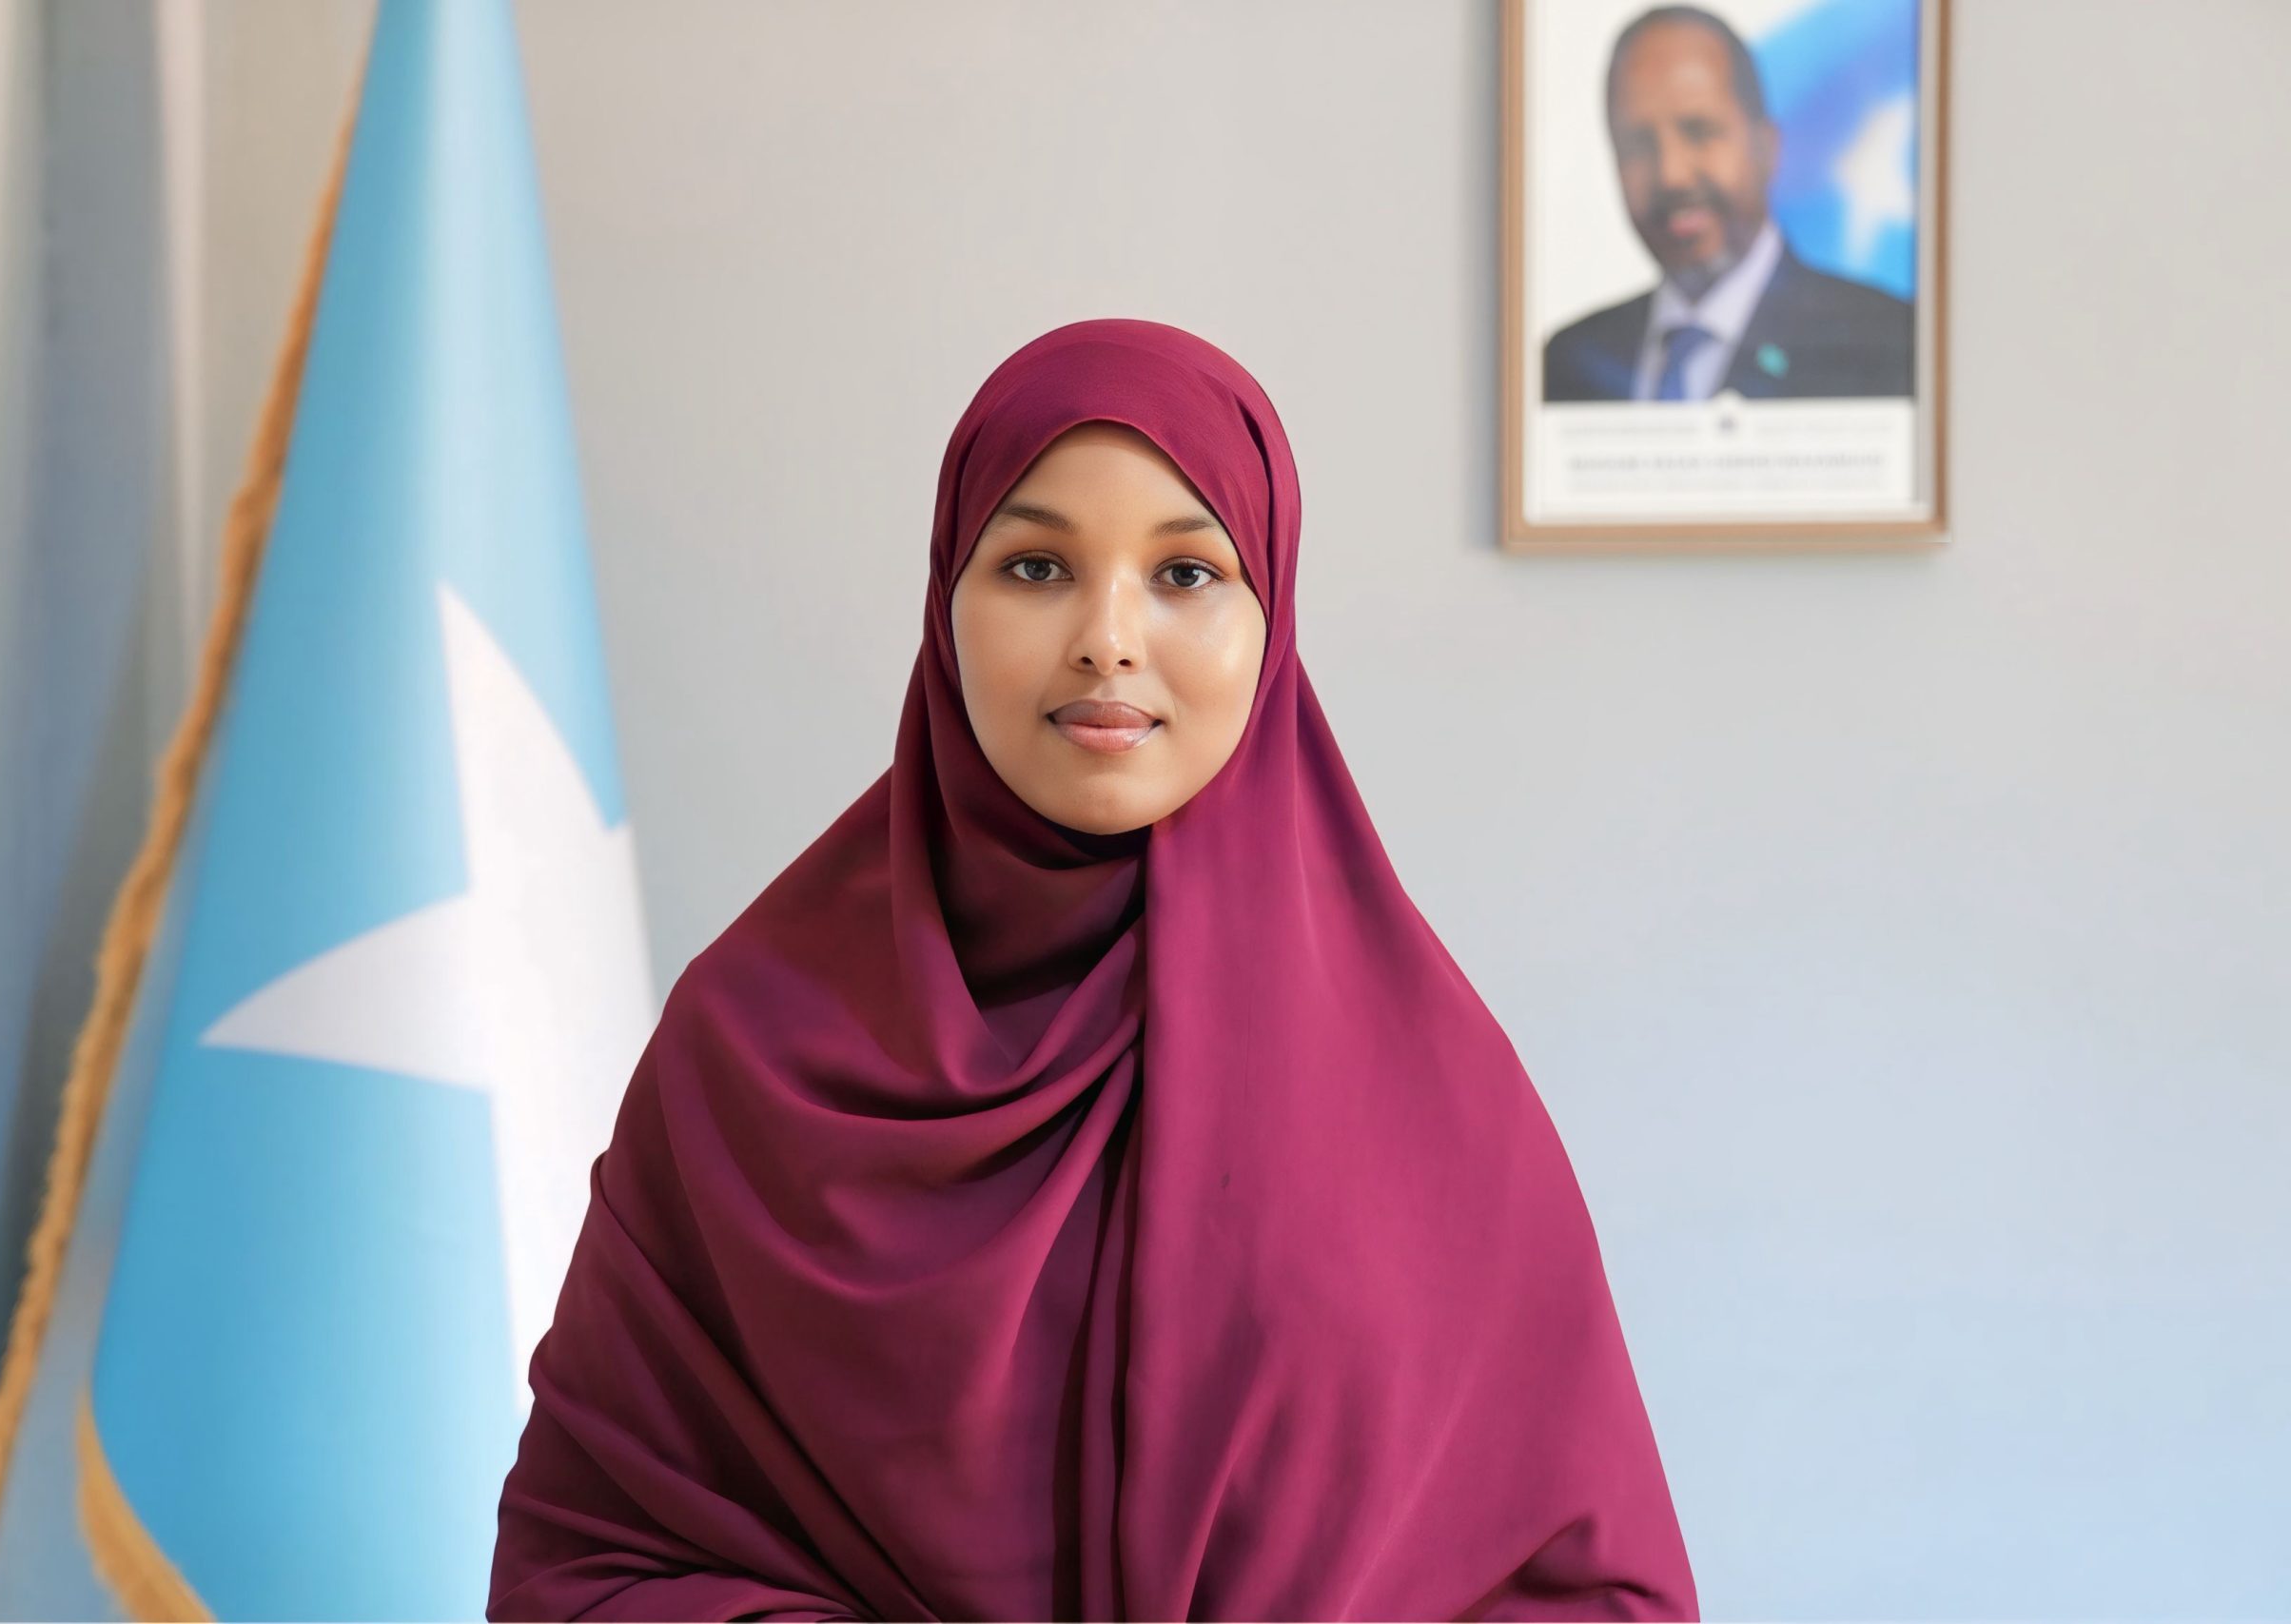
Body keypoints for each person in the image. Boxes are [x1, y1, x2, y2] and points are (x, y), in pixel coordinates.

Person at [486, 318, 1699, 1619]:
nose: (1108, 638)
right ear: (945, 600)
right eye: (1035, 566)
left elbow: (1586, 1589)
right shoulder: (746, 1045)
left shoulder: (1431, 1089)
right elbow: (588, 1566)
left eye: (1185, 572)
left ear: (1272, 619)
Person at [1543, 3, 1915, 403]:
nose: (1671, 174)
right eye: (1637, 144)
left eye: (1699, 131)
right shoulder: (1568, 364)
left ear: (1766, 148)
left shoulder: (1886, 344)